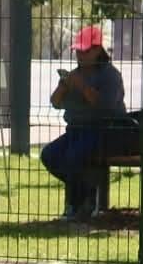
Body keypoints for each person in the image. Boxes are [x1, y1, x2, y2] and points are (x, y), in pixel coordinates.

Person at [40, 25, 131, 220]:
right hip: (76, 130)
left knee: (74, 156)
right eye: (78, 50)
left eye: (85, 50)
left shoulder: (110, 75)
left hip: (104, 131)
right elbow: (56, 102)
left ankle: (77, 204)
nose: (80, 54)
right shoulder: (74, 74)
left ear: (98, 50)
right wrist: (64, 86)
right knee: (49, 155)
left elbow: (104, 107)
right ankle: (87, 192)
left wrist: (82, 86)